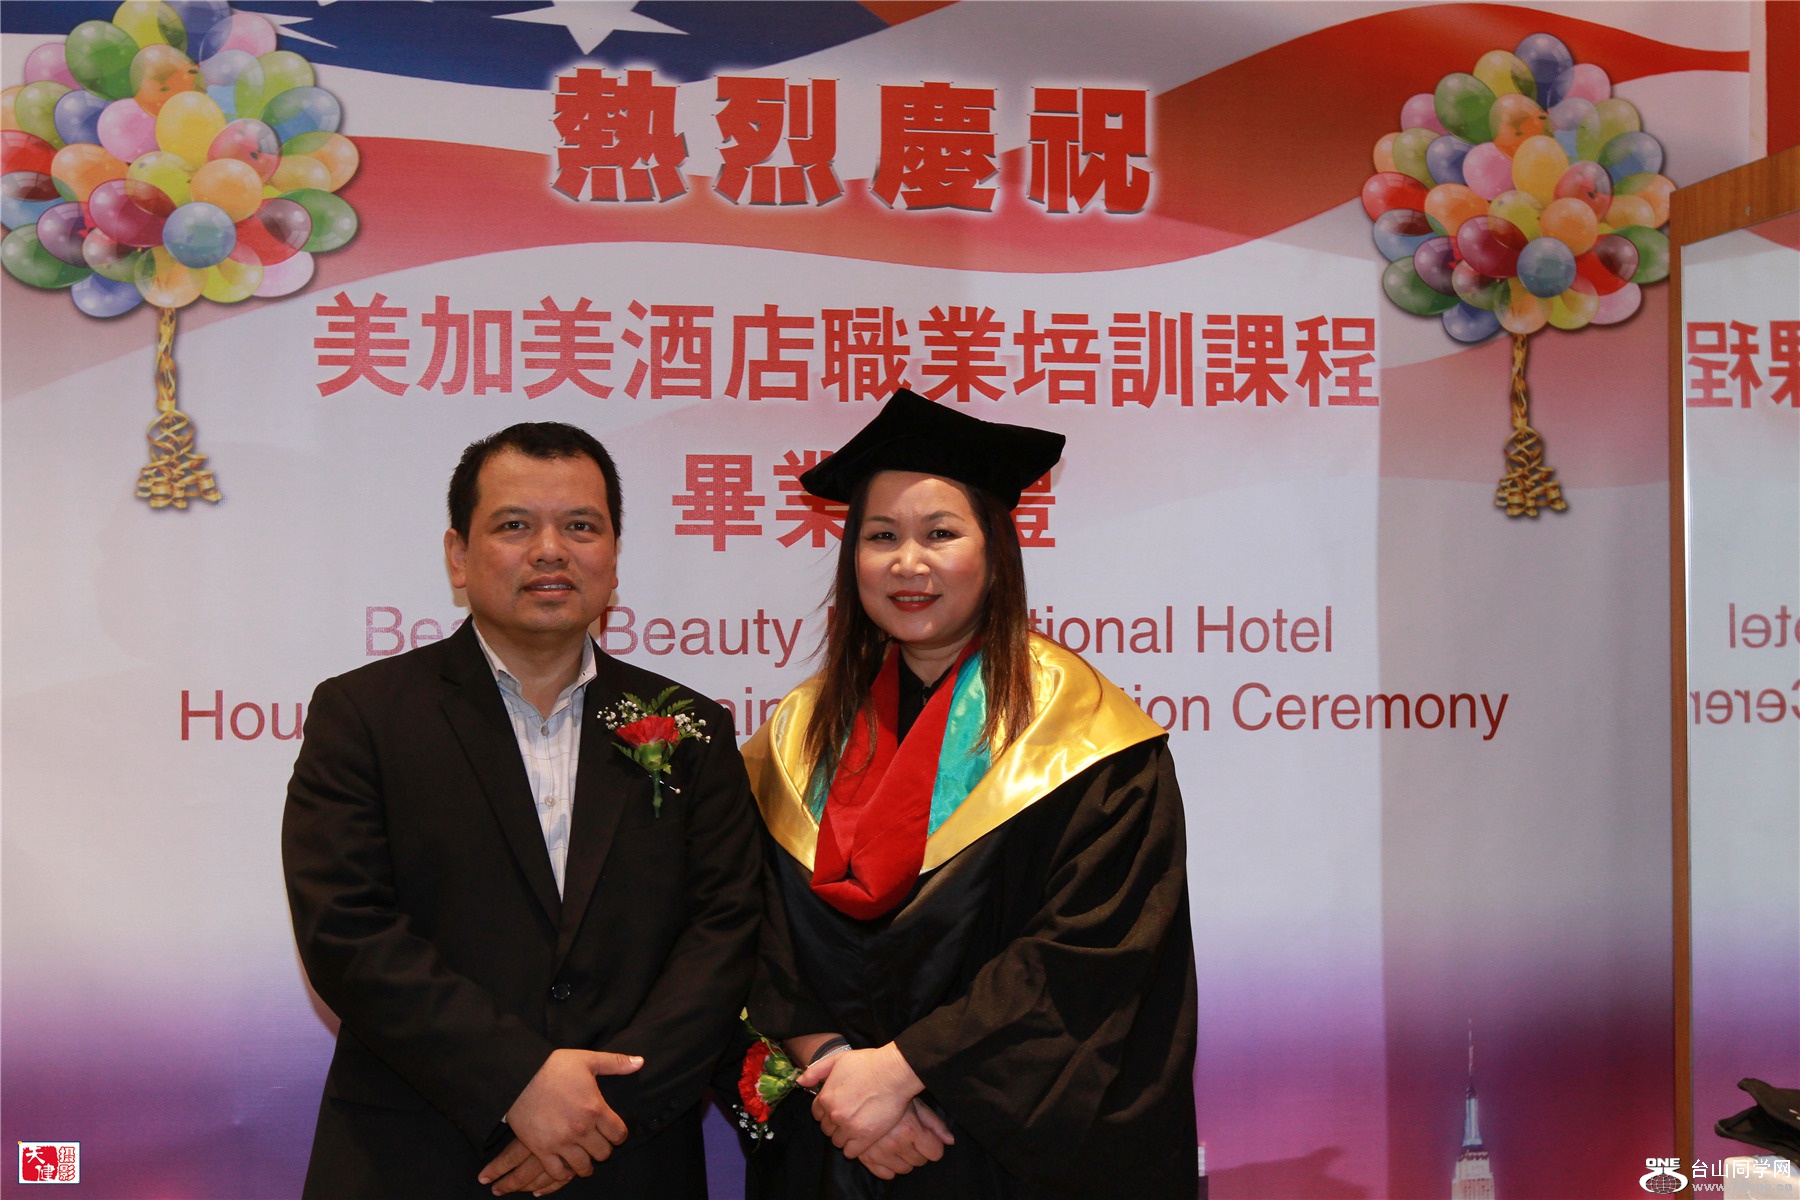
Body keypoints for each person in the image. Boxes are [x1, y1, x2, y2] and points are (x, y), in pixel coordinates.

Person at [283, 422, 762, 1199]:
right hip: (418, 1154)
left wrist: (600, 1112)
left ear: (613, 556)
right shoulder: (365, 715)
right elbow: (345, 929)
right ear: (458, 555)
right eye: (514, 525)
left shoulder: (689, 725)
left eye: (581, 526)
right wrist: (517, 1081)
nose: (550, 550)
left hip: (628, 1155)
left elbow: (726, 931)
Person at [740, 390, 1198, 1198]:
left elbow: (1088, 956)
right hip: (838, 1136)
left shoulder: (1083, 737)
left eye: (940, 534)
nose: (907, 563)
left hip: (1005, 1158)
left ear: (995, 553)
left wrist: (903, 1072)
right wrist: (839, 1071)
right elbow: (749, 931)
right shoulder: (797, 736)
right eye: (882, 536)